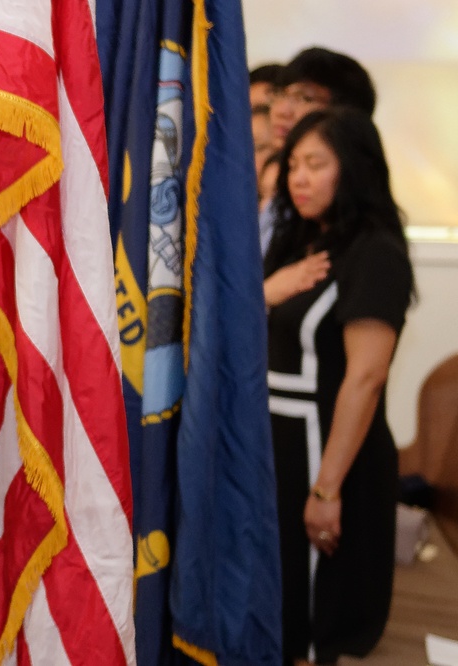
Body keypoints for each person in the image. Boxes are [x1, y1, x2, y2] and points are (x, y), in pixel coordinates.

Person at [264, 107, 414, 665]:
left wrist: (326, 489)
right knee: (277, 607)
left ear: (352, 168)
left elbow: (366, 378)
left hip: (327, 453)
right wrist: (268, 290)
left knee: (315, 622)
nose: (298, 178)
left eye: (316, 164)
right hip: (279, 447)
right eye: (293, 164)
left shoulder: (375, 253)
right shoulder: (298, 244)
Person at [259, 47, 376, 254]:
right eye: (280, 94)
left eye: (304, 98)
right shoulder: (282, 199)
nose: (281, 111)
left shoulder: (368, 241)